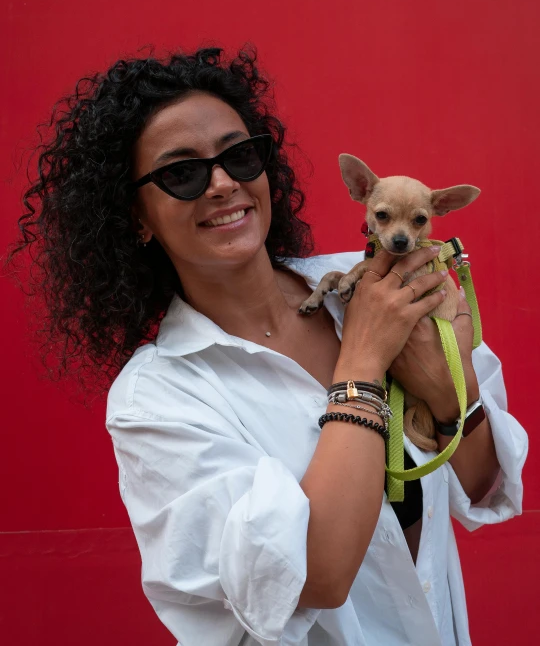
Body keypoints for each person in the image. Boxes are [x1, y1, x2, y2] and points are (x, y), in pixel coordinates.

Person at [9, 47, 527, 646]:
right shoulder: (158, 398)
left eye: (239, 155)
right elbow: (316, 576)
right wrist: (361, 361)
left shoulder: (380, 290)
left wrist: (444, 390)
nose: (224, 182)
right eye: (182, 172)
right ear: (136, 217)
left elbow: (484, 485)